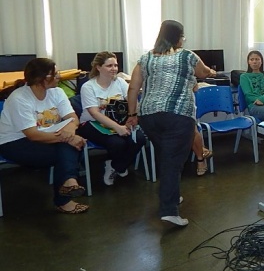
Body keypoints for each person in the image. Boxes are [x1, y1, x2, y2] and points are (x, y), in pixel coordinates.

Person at [126, 20, 216, 227]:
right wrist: (211, 72)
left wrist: (132, 114)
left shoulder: (146, 58)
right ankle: (169, 210)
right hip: (177, 114)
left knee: (167, 156)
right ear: (179, 38)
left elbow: (133, 88)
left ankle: (171, 195)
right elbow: (203, 73)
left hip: (149, 116)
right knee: (173, 162)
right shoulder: (187, 56)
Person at [0, 58, 88, 214]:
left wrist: (70, 131)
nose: (59, 76)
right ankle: (65, 195)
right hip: (14, 143)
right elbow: (32, 135)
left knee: (68, 148)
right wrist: (70, 138)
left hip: (47, 136)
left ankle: (68, 184)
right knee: (69, 149)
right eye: (55, 74)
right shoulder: (19, 98)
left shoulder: (57, 92)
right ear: (42, 78)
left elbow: (73, 118)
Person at [76, 51, 146, 185]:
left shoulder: (120, 82)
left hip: (119, 121)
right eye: (109, 66)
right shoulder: (88, 87)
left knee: (139, 139)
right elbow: (94, 113)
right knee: (117, 143)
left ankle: (116, 166)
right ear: (98, 67)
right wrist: (118, 128)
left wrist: (131, 117)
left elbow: (133, 101)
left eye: (115, 65)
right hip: (92, 123)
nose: (114, 68)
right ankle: (117, 165)